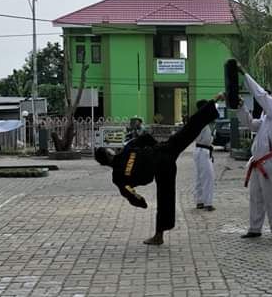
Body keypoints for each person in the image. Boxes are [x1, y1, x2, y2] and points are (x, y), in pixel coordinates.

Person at [95, 93, 223, 245]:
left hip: (164, 153)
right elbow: (128, 192)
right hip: (162, 164)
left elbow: (145, 138)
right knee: (165, 198)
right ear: (107, 158)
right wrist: (140, 200)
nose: (111, 151)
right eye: (108, 151)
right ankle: (159, 235)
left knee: (189, 128)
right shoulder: (119, 171)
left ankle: (214, 101)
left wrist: (157, 146)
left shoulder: (125, 153)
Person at [237, 65, 272, 241]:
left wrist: (244, 73)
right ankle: (255, 228)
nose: (267, 99)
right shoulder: (267, 118)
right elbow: (250, 124)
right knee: (256, 197)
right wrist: (241, 108)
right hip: (258, 162)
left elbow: (260, 95)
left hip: (268, 162)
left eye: (271, 97)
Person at [193, 100, 216, 211]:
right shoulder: (201, 120)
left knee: (200, 177)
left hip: (200, 150)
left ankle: (200, 201)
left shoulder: (200, 120)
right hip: (203, 150)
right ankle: (208, 203)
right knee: (208, 177)